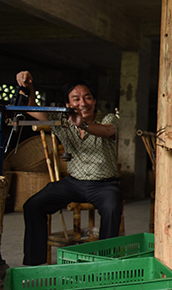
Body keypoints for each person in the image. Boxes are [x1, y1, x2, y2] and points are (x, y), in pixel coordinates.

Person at [16, 71, 123, 266]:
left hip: (104, 185)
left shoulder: (108, 119)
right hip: (73, 183)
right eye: (76, 99)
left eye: (87, 97)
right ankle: (34, 264)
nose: (83, 103)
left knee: (112, 207)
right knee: (33, 205)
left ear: (94, 100)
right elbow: (33, 110)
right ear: (68, 105)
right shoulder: (63, 121)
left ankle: (104, 264)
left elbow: (107, 131)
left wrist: (83, 124)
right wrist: (30, 88)